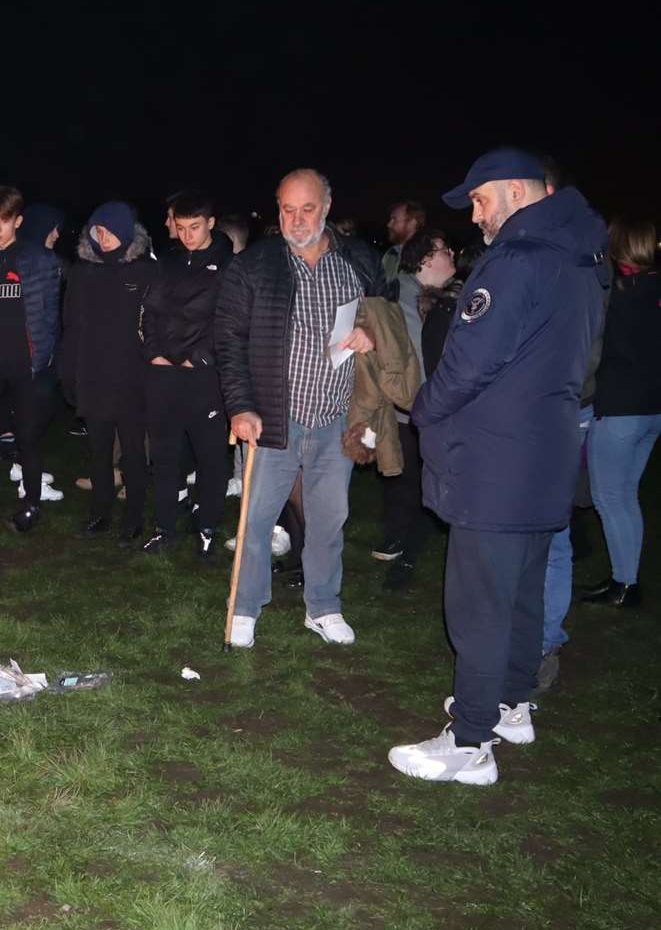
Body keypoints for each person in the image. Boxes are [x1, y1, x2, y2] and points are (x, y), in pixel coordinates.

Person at [390, 148, 607, 785]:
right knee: (518, 596)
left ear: (515, 191)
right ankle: (512, 706)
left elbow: (468, 363)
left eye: (481, 200)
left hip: (497, 460)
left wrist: (423, 409)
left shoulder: (516, 261)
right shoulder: (582, 258)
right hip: (547, 451)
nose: (476, 217)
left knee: (479, 601)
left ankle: (470, 740)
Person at [215, 168, 382, 648]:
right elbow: (228, 340)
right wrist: (241, 406)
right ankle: (246, 607)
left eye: (307, 208)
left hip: (338, 417)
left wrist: (372, 337)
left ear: (326, 209)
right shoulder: (254, 265)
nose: (296, 219)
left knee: (330, 517)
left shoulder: (358, 261)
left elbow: (385, 322)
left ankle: (323, 606)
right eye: (287, 209)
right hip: (274, 416)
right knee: (257, 519)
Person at [139, 191, 234, 556]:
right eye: (181, 228)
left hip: (202, 376)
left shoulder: (229, 264)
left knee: (210, 456)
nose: (188, 235)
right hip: (164, 373)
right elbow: (149, 311)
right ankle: (165, 528)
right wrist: (154, 355)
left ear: (210, 222)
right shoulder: (168, 260)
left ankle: (207, 526)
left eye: (195, 227)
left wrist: (201, 358)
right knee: (164, 455)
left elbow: (227, 320)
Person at [0, 186, 64, 533]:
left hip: (26, 365)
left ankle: (32, 500)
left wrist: (44, 355)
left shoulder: (41, 260)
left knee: (28, 435)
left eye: (4, 220)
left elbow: (51, 314)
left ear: (18, 221)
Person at [62, 201, 155, 546]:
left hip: (132, 378)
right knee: (98, 450)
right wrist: (68, 372)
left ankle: (134, 517)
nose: (103, 238)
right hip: (93, 375)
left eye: (110, 231)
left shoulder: (144, 272)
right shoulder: (83, 272)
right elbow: (70, 326)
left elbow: (155, 326)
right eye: (97, 231)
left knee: (132, 451)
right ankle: (100, 511)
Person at [579, 218, 661, 608]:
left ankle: (624, 583)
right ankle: (627, 580)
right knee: (625, 495)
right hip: (652, 410)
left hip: (620, 409)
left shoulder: (618, 293)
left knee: (610, 496)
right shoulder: (654, 286)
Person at [375, 228, 451, 586]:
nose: (451, 254)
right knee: (406, 476)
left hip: (437, 408)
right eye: (443, 249)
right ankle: (400, 545)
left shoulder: (450, 296)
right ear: (425, 258)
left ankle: (407, 546)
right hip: (411, 406)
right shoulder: (400, 296)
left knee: (422, 478)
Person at [381, 200, 426, 282]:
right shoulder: (390, 254)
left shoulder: (427, 256)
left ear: (412, 222)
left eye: (394, 219)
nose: (389, 224)